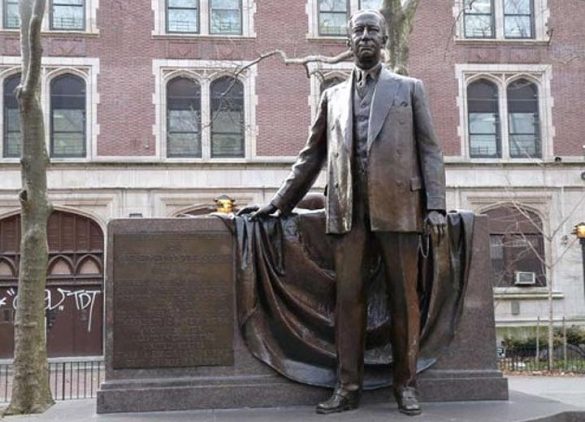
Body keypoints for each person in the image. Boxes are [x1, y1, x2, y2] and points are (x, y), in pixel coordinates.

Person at [243, 9, 446, 416]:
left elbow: (430, 151)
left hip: (400, 210)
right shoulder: (331, 96)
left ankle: (406, 386)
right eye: (358, 31)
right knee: (347, 300)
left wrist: (437, 206)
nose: (365, 37)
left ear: (385, 40)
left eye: (373, 30)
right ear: (349, 42)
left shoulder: (409, 89)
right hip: (346, 212)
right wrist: (279, 202)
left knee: (404, 299)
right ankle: (346, 387)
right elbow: (310, 157)